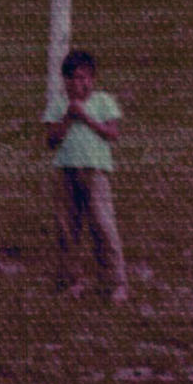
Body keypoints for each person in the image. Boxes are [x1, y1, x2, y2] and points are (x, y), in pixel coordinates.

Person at [43, 48, 129, 302]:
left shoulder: (103, 101)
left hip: (95, 171)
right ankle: (71, 279)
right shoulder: (58, 104)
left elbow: (112, 133)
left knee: (102, 225)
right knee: (67, 227)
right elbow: (51, 140)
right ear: (67, 81)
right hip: (66, 170)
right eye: (78, 78)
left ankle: (115, 281)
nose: (84, 83)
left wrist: (87, 118)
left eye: (88, 77)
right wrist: (69, 117)